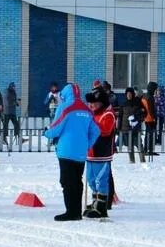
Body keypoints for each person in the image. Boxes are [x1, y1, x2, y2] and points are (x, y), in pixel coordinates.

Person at [44, 83, 100, 221]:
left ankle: (71, 212)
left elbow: (56, 128)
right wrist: (87, 144)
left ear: (65, 95)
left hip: (66, 151)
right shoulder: (87, 109)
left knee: (67, 182)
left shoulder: (65, 107)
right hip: (81, 152)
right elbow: (96, 131)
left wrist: (47, 132)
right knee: (77, 181)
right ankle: (76, 211)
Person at [84, 89, 117, 219]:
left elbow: (104, 131)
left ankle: (102, 207)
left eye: (94, 103)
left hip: (102, 154)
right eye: (90, 103)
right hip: (91, 153)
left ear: (101, 103)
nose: (91, 105)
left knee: (101, 180)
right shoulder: (93, 114)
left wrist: (89, 125)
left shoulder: (108, 114)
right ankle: (95, 202)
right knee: (91, 180)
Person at [122, 87, 145, 163]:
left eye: (130, 94)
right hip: (126, 128)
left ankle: (142, 160)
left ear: (133, 94)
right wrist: (119, 128)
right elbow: (121, 116)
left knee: (139, 144)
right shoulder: (124, 103)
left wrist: (136, 119)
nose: (128, 95)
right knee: (129, 145)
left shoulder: (138, 102)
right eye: (127, 94)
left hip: (136, 128)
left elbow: (144, 113)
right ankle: (131, 160)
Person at [3, 82, 22, 151]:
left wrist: (17, 103)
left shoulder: (14, 92)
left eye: (14, 87)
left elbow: (14, 101)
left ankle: (17, 136)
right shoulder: (7, 92)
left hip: (12, 112)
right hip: (7, 112)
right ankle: (4, 138)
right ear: (10, 87)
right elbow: (7, 102)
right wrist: (15, 102)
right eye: (13, 87)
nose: (14, 88)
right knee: (6, 125)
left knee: (16, 124)